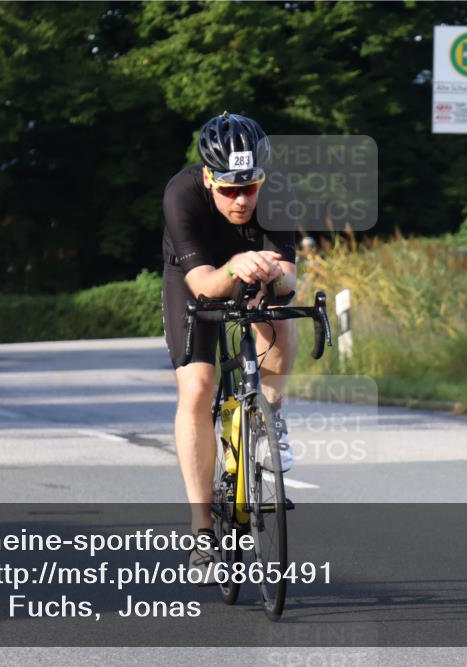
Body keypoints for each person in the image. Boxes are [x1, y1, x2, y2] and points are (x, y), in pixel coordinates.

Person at [161, 112, 297, 581]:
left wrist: (274, 274)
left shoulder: (278, 194)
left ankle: (269, 416)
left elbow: (290, 277)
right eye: (228, 189)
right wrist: (236, 264)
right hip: (195, 276)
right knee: (198, 388)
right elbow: (202, 285)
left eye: (250, 188)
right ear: (207, 177)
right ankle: (201, 532)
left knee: (280, 316)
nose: (241, 200)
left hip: (252, 267)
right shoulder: (181, 194)